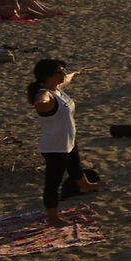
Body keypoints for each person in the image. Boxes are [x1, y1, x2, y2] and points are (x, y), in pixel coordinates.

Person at [27, 58, 101, 223]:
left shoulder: (56, 88)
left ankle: (85, 185)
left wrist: (75, 74)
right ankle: (52, 218)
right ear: (47, 77)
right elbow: (41, 101)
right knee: (53, 183)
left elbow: (66, 80)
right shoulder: (45, 94)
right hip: (55, 147)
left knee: (75, 166)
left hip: (68, 140)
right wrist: (40, 102)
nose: (63, 74)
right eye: (59, 72)